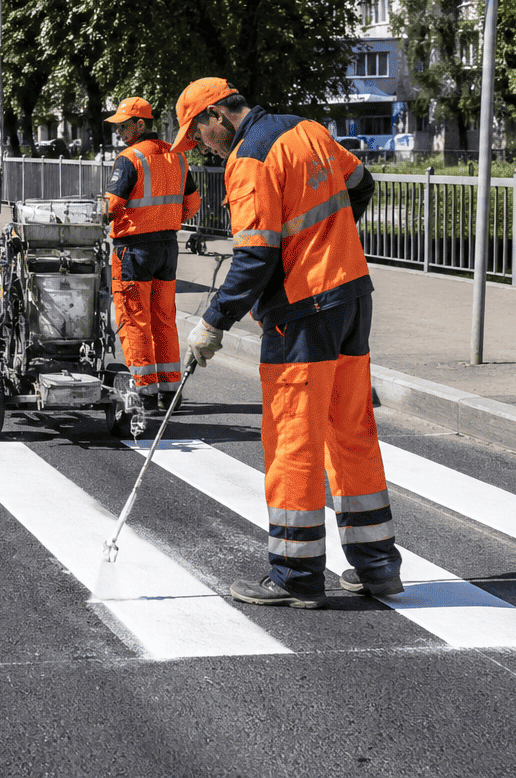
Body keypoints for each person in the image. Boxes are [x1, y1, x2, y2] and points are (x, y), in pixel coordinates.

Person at [174, 77, 401, 609]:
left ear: (218, 117)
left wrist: (214, 321)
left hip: (302, 314)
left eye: (200, 134)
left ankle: (296, 576)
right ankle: (377, 567)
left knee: (294, 438)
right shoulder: (309, 130)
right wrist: (327, 240)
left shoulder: (249, 159)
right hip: (351, 295)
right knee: (351, 430)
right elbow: (363, 185)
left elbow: (255, 256)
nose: (203, 146)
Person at [103, 96, 201, 413]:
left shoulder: (129, 158)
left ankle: (145, 391)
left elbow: (113, 206)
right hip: (167, 248)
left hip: (134, 251)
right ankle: (170, 392)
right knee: (164, 318)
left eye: (123, 125)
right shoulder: (177, 157)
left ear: (140, 124)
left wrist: (103, 217)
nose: (119, 131)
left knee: (135, 321)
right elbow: (193, 203)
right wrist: (167, 219)